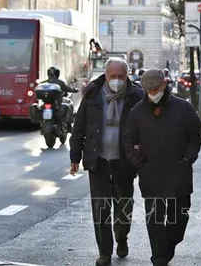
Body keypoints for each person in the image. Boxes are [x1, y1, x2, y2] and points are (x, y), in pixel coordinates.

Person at [123, 68, 201, 266]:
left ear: (165, 84)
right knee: (155, 219)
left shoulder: (183, 108)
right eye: (148, 90)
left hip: (178, 170)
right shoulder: (138, 111)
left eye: (156, 88)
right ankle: (159, 257)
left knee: (179, 217)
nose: (152, 93)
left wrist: (188, 158)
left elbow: (196, 133)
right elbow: (128, 139)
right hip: (150, 171)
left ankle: (169, 244)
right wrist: (138, 163)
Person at [69, 57, 144, 266]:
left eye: (121, 76)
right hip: (98, 160)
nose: (117, 80)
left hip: (124, 161)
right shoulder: (93, 94)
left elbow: (144, 128)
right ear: (106, 75)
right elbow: (79, 126)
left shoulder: (136, 96)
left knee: (124, 207)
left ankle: (122, 237)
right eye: (113, 76)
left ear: (127, 76)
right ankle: (105, 253)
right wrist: (75, 156)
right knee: (100, 209)